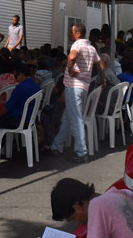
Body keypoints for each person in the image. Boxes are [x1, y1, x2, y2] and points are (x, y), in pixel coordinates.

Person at [50, 23, 104, 163]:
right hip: (84, 87)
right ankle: (57, 145)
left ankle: (81, 152)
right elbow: (101, 66)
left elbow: (71, 58)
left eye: (71, 31)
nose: (69, 33)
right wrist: (102, 81)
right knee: (68, 118)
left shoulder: (77, 45)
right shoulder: (91, 48)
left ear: (78, 34)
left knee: (75, 119)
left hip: (74, 87)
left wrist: (70, 69)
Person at [50, 178, 133, 238]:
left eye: (74, 219)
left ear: (77, 206)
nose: (78, 223)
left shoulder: (97, 206)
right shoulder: (120, 193)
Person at [0, 64, 41, 155]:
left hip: (18, 120)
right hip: (30, 120)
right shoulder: (36, 86)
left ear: (22, 75)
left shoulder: (20, 88)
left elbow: (8, 108)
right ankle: (0, 147)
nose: (16, 79)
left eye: (17, 76)